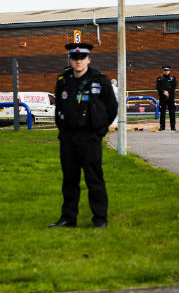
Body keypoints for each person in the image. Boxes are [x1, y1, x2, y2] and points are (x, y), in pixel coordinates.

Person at [49, 43, 117, 229]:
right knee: (69, 179)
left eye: (82, 58)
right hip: (69, 138)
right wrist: (62, 131)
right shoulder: (63, 80)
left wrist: (99, 131)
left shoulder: (100, 80)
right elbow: (59, 108)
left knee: (94, 178)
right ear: (70, 59)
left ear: (89, 59)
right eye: (75, 58)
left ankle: (100, 219)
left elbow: (111, 108)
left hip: (90, 138)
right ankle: (68, 218)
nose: (78, 62)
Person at [156, 65, 177, 131]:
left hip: (170, 98)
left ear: (169, 71)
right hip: (162, 98)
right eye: (165, 70)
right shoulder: (160, 79)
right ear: (163, 71)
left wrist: (168, 92)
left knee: (172, 113)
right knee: (162, 113)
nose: (166, 72)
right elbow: (158, 87)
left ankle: (173, 126)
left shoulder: (173, 78)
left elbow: (174, 87)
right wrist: (163, 92)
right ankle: (162, 127)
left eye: (167, 70)